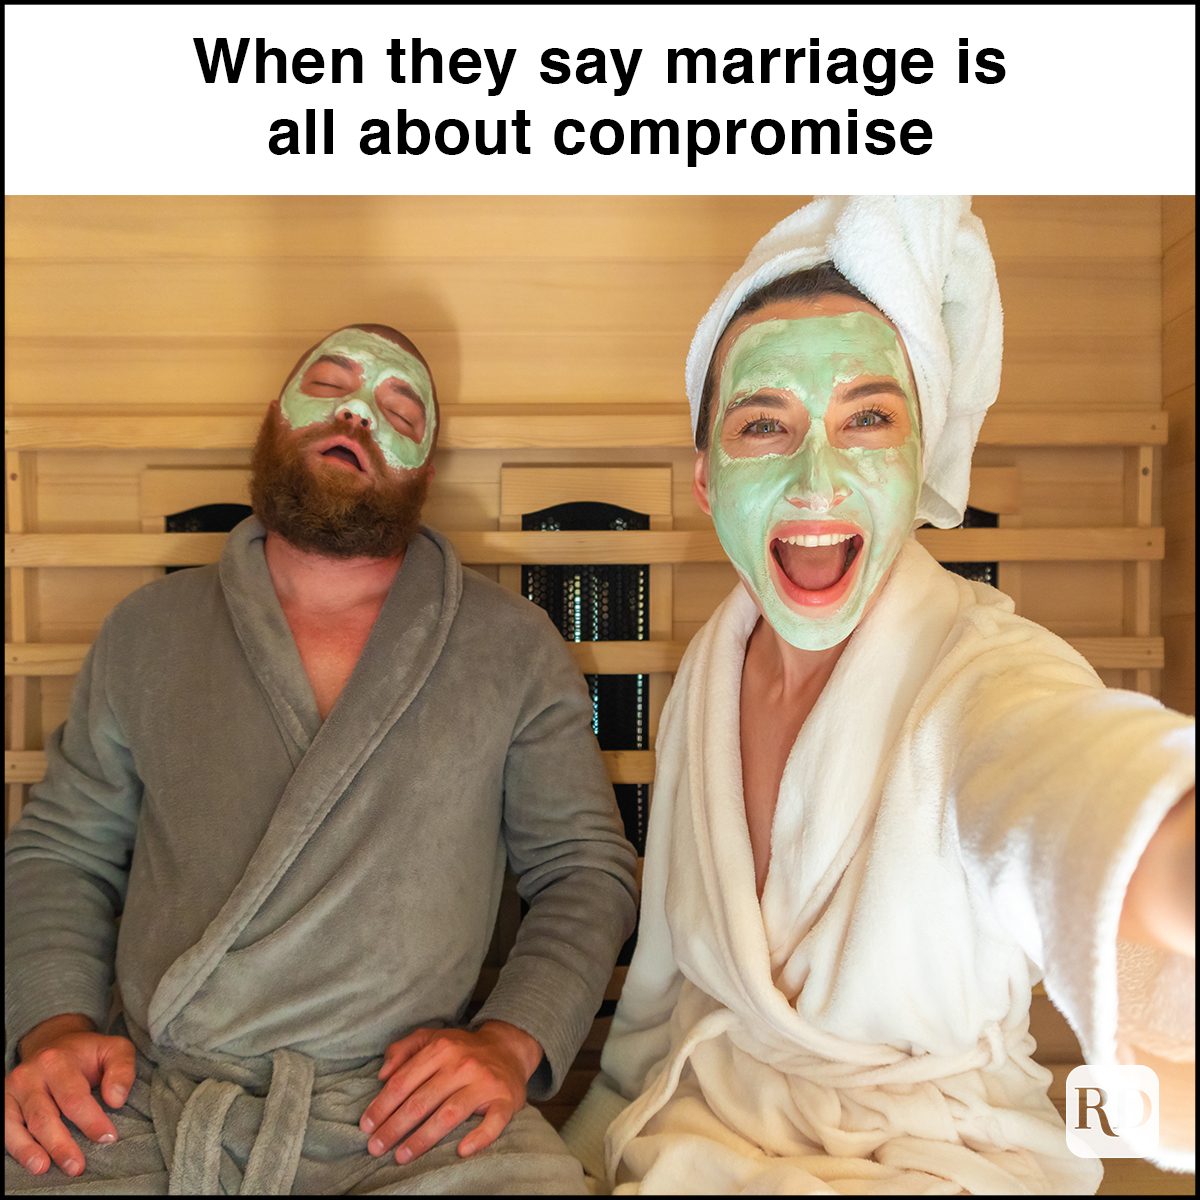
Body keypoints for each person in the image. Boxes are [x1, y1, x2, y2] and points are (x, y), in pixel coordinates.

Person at [563, 197, 1195, 1193]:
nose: (818, 478)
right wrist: (599, 1119)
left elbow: (1074, 775)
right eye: (763, 424)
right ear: (706, 482)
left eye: (868, 419)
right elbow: (662, 994)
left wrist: (1169, 848)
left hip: (943, 1157)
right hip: (702, 1132)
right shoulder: (705, 682)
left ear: (915, 460)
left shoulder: (983, 674)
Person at [4, 323, 639, 1194]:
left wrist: (508, 1039)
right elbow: (62, 853)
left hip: (402, 1118)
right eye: (331, 384)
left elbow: (584, 870)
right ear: (276, 418)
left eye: (398, 410)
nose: (357, 413)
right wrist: (52, 1027)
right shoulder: (149, 631)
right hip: (150, 1099)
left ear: (424, 470)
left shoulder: (509, 648)